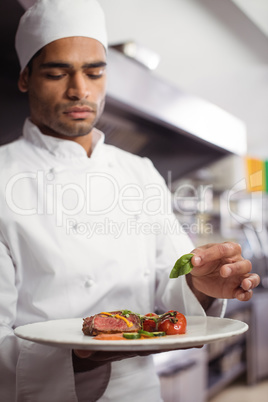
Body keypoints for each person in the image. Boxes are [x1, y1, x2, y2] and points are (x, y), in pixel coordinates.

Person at [0, 0, 260, 401]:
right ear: (25, 78)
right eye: (56, 72)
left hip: (139, 391)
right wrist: (80, 354)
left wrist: (201, 284)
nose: (79, 90)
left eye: (95, 71)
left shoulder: (139, 172)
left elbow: (170, 287)